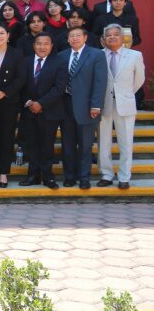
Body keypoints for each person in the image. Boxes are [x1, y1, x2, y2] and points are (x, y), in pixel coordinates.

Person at [59, 26, 107, 189]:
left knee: (86, 145)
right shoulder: (62, 56)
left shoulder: (96, 54)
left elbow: (100, 82)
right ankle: (70, 176)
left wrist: (96, 105)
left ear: (85, 37)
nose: (74, 38)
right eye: (71, 36)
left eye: (78, 35)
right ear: (67, 39)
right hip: (65, 106)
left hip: (87, 107)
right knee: (68, 144)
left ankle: (84, 177)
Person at [98, 24, 146, 189]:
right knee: (103, 141)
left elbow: (139, 79)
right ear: (104, 39)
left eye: (115, 35)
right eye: (108, 35)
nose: (112, 37)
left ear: (122, 37)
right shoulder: (98, 55)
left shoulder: (134, 55)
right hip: (103, 103)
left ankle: (124, 177)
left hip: (125, 103)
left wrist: (125, 94)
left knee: (125, 142)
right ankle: (106, 174)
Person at [19, 33, 67, 189]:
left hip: (50, 111)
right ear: (34, 46)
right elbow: (20, 85)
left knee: (47, 145)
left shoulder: (59, 62)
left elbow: (59, 88)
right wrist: (29, 103)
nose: (42, 47)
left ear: (51, 46)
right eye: (38, 44)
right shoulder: (25, 62)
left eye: (46, 44)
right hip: (29, 111)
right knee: (31, 145)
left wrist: (41, 103)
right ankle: (33, 175)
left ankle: (47, 176)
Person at [0, 24, 25, 188]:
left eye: (2, 33)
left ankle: (3, 173)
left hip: (9, 101)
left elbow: (21, 78)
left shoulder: (16, 53)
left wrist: (5, 92)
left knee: (6, 137)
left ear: (8, 35)